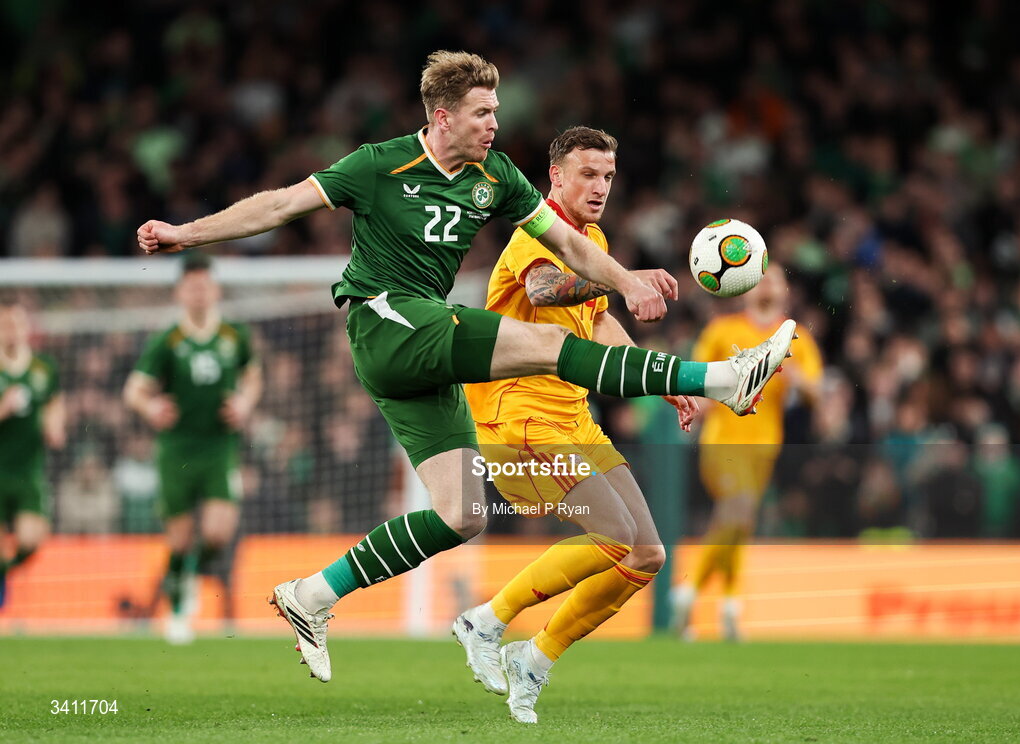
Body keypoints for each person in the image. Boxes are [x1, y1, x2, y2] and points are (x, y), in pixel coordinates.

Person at [136, 50, 795, 682]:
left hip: (421, 351)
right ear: (442, 116)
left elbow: (566, 243)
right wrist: (185, 233)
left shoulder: (495, 179)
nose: (495, 124)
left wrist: (625, 280)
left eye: (498, 110)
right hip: (386, 319)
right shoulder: (379, 164)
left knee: (462, 514)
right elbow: (280, 204)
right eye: (483, 112)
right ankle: (721, 379)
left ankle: (313, 593)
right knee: (540, 348)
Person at [453, 125, 699, 723]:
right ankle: (484, 620)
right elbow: (542, 288)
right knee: (615, 537)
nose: (600, 187)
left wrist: (659, 379)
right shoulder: (535, 231)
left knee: (645, 554)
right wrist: (620, 275)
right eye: (588, 174)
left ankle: (534, 659)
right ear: (556, 176)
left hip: (573, 417)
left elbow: (598, 325)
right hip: (521, 416)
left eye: (608, 176)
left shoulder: (592, 239)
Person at [672, 264, 821, 641]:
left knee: (740, 521)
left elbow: (816, 393)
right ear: (745, 288)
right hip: (723, 440)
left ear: (786, 290)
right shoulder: (722, 330)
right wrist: (696, 405)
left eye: (775, 279)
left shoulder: (795, 337)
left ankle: (723, 605)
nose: (767, 285)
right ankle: (696, 596)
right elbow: (697, 376)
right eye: (761, 279)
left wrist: (793, 375)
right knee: (737, 508)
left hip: (765, 446)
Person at [123, 253, 262, 643]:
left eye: (205, 286)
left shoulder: (235, 336)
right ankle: (180, 607)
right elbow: (133, 389)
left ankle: (187, 581)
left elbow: (253, 377)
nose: (199, 293)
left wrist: (245, 403)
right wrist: (149, 405)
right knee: (180, 538)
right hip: (177, 449)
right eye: (192, 287)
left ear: (215, 290)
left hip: (220, 448)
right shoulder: (168, 341)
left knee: (218, 533)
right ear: (180, 292)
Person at [0, 298, 65, 607]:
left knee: (31, 540)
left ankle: (3, 572)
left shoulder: (43, 368)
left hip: (28, 471)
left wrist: (55, 426)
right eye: (5, 325)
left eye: (15, 324)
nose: (10, 331)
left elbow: (54, 402)